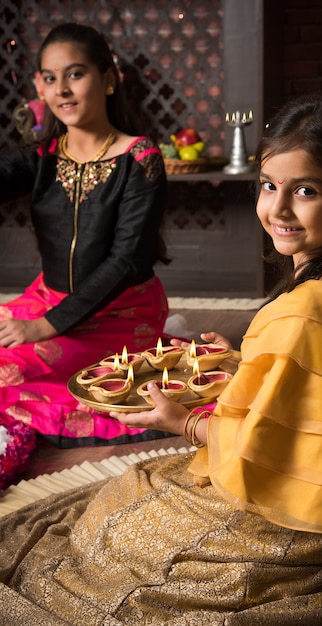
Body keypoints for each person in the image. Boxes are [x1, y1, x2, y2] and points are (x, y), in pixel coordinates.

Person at [1, 93, 322, 625]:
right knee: (132, 491)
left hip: (293, 530)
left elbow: (262, 454)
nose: (279, 209)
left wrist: (187, 423)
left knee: (117, 513)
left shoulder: (304, 313)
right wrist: (245, 360)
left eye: (306, 190)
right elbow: (316, 406)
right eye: (269, 186)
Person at [0, 23, 171, 487]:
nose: (63, 90)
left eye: (75, 74)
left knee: (10, 368)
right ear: (38, 86)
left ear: (108, 78)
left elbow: (127, 261)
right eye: (51, 79)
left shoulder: (140, 159)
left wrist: (41, 327)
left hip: (119, 309)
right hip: (46, 297)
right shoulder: (42, 158)